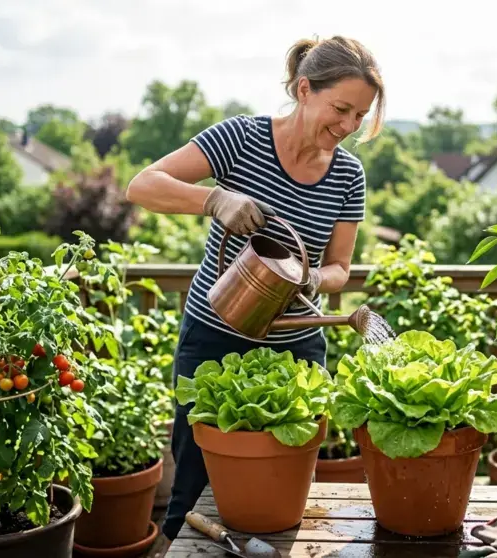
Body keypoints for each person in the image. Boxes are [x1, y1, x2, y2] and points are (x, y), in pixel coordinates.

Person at [126, 35, 385, 557]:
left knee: (282, 498)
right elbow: (142, 185)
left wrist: (312, 280)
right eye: (341, 109)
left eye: (360, 115)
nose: (349, 126)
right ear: (305, 89)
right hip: (214, 340)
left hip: (295, 347)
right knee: (193, 491)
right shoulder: (241, 140)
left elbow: (340, 267)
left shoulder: (348, 175)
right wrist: (214, 198)